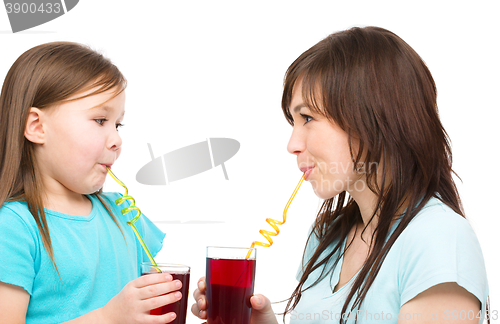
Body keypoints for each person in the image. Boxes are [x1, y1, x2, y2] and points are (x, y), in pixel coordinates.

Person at [191, 26, 490, 323]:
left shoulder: (439, 239)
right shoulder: (327, 235)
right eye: (293, 122)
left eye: (308, 118)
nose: (293, 145)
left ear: (372, 118)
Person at [0, 42, 182, 323]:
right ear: (37, 126)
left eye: (118, 125)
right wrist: (109, 318)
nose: (117, 140)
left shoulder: (124, 215)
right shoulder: (12, 228)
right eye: (100, 120)